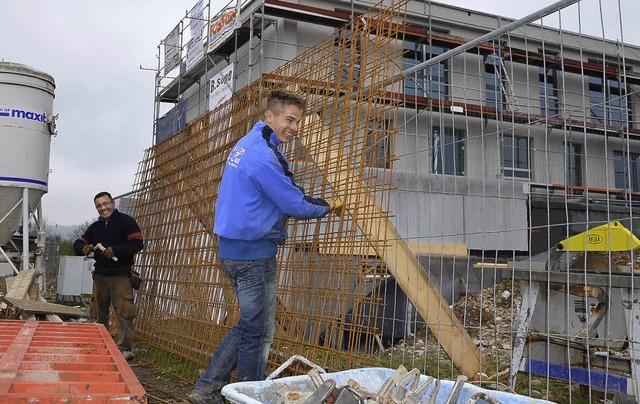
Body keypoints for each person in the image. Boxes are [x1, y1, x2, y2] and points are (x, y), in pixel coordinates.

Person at [188, 89, 343, 404]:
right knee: (257, 336)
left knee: (251, 324)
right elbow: (295, 203)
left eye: (297, 121)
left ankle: (207, 388)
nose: (294, 127)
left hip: (234, 249)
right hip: (253, 255)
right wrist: (330, 205)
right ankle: (248, 397)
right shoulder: (263, 156)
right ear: (269, 116)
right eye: (289, 119)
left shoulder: (248, 143)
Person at [73, 191, 144, 361]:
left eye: (106, 204)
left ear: (113, 203)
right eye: (99, 206)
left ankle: (125, 348)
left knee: (124, 312)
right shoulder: (95, 227)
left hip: (120, 275)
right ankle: (101, 344)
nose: (103, 208)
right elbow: (78, 243)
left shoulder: (126, 222)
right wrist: (83, 248)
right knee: (99, 312)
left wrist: (115, 250)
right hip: (100, 276)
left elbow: (137, 243)